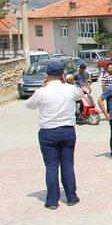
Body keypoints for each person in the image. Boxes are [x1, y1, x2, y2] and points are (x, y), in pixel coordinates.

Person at [26, 61, 83, 209]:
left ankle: (52, 201)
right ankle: (71, 197)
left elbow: (29, 105)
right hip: (67, 131)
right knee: (68, 165)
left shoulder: (42, 92)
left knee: (51, 167)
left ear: (46, 76)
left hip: (48, 132)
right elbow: (81, 94)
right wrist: (65, 83)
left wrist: (41, 87)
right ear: (62, 75)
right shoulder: (71, 89)